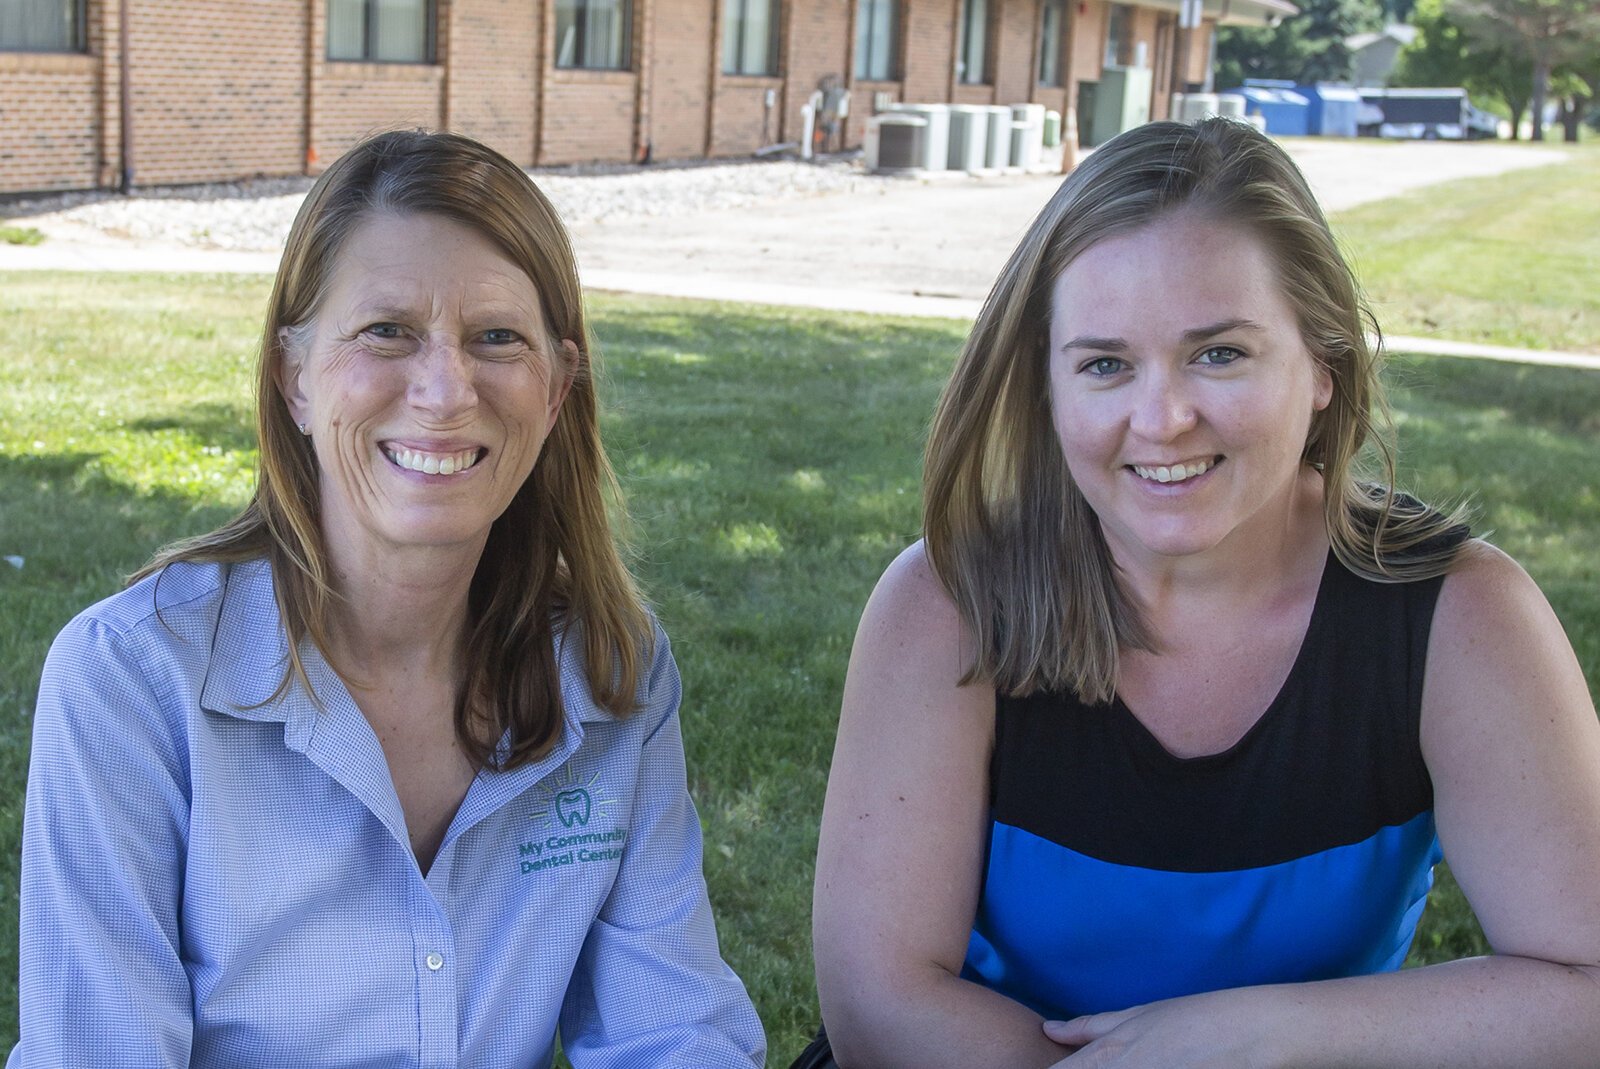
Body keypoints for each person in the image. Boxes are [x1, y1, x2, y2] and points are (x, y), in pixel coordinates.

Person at [806, 118, 1600, 1068]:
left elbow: (1584, 989)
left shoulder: (1459, 619)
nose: (1162, 417)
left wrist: (1260, 1035)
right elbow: (880, 1008)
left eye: (1218, 353)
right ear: (1048, 389)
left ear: (1323, 366)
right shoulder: (946, 606)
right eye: (1105, 363)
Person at [11, 130, 765, 1068]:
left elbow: (676, 1030)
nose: (446, 391)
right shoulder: (132, 678)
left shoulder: (614, 673)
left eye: (498, 337)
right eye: (387, 331)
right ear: (292, 375)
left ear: (559, 387)